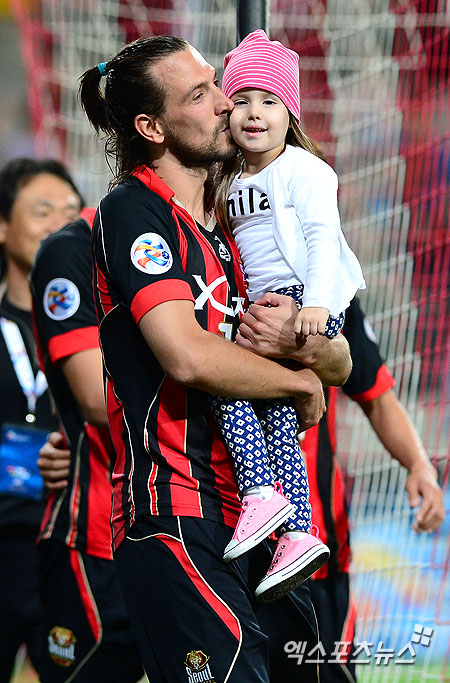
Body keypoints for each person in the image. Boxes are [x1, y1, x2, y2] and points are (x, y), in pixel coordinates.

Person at [79, 35, 351, 682]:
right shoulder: (135, 212)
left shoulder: (244, 215)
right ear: (152, 128)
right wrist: (296, 384)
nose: (228, 102)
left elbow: (341, 362)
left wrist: (311, 348)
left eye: (216, 84)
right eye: (200, 94)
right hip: (175, 510)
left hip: (256, 514)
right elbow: (188, 356)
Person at [203, 29, 366, 602]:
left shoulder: (305, 170)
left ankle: (260, 494)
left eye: (269, 101)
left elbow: (322, 237)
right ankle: (298, 531)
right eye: (242, 100)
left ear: (290, 113)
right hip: (265, 302)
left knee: (227, 379)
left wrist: (314, 304)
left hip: (302, 298)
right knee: (274, 410)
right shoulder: (228, 180)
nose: (255, 113)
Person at [237, 294, 445, 681]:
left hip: (313, 553)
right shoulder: (216, 270)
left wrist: (419, 465)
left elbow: (376, 395)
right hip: (223, 540)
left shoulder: (332, 290)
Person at [30, 209, 143, 681]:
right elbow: (98, 401)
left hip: (193, 531)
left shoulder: (228, 243)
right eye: (41, 210)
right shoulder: (74, 250)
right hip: (96, 532)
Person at [0, 158, 82, 681]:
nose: (59, 224)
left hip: (67, 547)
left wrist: (84, 452)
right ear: (3, 226)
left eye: (71, 212)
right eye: (42, 210)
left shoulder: (103, 333)